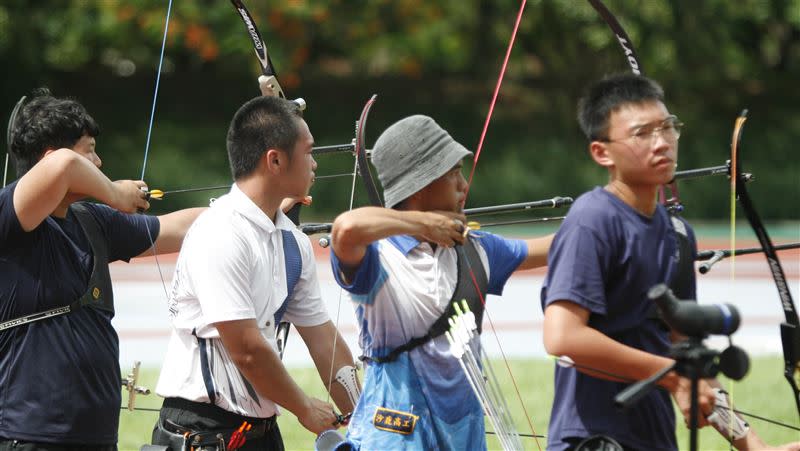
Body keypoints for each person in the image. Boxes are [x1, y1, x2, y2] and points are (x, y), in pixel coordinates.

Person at [541, 73, 800, 451]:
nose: (661, 142)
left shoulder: (677, 232)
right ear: (602, 153)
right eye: (641, 133)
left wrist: (755, 447)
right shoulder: (593, 218)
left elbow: (686, 354)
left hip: (655, 439)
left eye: (667, 127)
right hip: (592, 440)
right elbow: (563, 336)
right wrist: (673, 378)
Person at [328, 114, 554, 450]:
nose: (464, 186)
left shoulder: (476, 248)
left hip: (463, 434)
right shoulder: (376, 258)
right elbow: (345, 228)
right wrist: (421, 225)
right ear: (420, 186)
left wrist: (609, 213)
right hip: (396, 437)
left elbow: (556, 247)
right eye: (453, 175)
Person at [151, 95, 359, 451]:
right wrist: (304, 407)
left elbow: (323, 338)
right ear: (275, 160)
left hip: (259, 431)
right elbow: (246, 348)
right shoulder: (219, 232)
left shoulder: (293, 243)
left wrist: (366, 417)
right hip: (202, 432)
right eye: (309, 151)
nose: (314, 164)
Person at [0, 88, 203, 450]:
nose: (99, 161)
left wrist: (255, 209)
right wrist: (115, 192)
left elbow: (181, 229)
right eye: (89, 150)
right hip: (28, 436)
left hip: (96, 437)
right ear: (50, 155)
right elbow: (63, 165)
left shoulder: (92, 221)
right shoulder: (10, 218)